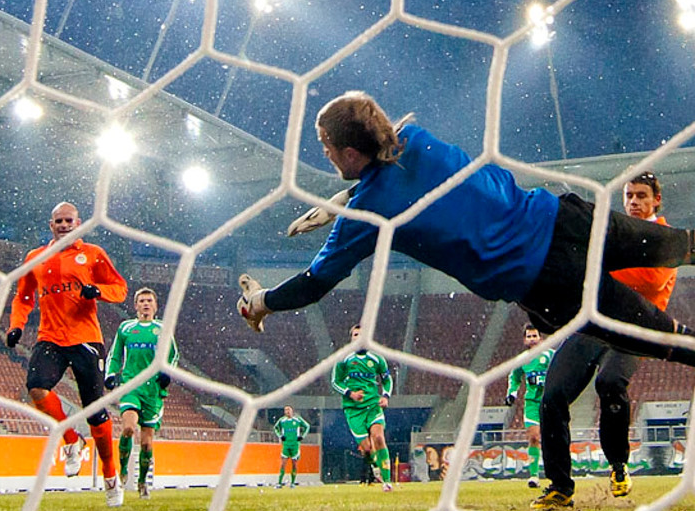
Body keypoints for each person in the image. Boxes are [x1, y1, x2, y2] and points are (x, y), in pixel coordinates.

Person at [237, 90, 695, 367]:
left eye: (327, 146)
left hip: (546, 280)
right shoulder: (414, 138)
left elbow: (314, 285)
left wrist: (262, 302)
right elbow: (395, 165)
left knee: (666, 339)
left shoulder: (370, 214)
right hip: (564, 219)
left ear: (350, 153)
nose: (326, 155)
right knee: (682, 246)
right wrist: (344, 200)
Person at [532, 172, 678, 509]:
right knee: (552, 395)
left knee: (610, 382)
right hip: (596, 323)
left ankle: (618, 463)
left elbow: (651, 281)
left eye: (641, 196)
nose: (634, 202)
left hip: (636, 329)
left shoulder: (666, 237)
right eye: (629, 196)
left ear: (656, 200)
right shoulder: (616, 233)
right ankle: (559, 486)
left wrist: (598, 268)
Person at [6, 201, 128, 507]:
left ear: (79, 224)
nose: (63, 225)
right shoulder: (35, 258)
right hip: (50, 338)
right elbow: (23, 297)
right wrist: (16, 326)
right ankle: (72, 440)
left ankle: (110, 475)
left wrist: (97, 291)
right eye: (58, 221)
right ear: (51, 225)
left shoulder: (94, 254)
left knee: (95, 412)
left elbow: (119, 287)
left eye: (68, 220)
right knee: (36, 387)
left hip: (86, 338)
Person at [105, 287, 179, 500]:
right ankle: (122, 472)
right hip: (131, 385)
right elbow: (115, 354)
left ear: (155, 306)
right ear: (136, 305)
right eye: (142, 301)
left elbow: (173, 356)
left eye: (149, 301)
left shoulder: (162, 329)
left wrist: (167, 373)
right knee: (128, 428)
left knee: (146, 442)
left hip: (153, 390)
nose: (146, 304)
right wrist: (110, 374)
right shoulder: (126, 328)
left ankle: (142, 481)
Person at [331, 324, 394, 492]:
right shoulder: (344, 359)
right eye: (355, 335)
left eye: (362, 335)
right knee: (366, 448)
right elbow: (335, 382)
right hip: (353, 409)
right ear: (351, 338)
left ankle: (387, 482)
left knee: (378, 437)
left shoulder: (377, 359)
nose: (358, 338)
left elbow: (387, 379)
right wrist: (350, 393)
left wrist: (386, 396)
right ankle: (376, 465)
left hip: (373, 405)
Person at [505, 324, 554, 488]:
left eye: (535, 336)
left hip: (549, 402)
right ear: (525, 340)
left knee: (552, 439)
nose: (532, 339)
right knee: (534, 437)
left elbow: (560, 374)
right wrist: (512, 393)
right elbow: (515, 377)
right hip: (532, 403)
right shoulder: (522, 360)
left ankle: (556, 474)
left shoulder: (551, 356)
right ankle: (534, 476)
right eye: (529, 337)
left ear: (541, 338)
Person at [272, 405, 310, 488]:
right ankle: (279, 483)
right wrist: (280, 435)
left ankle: (292, 483)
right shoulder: (282, 420)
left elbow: (307, 426)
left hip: (295, 445)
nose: (287, 411)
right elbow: (275, 428)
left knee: (294, 464)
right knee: (283, 464)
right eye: (286, 410)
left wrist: (302, 436)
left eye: (289, 410)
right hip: (286, 445)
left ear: (292, 411)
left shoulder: (297, 419)